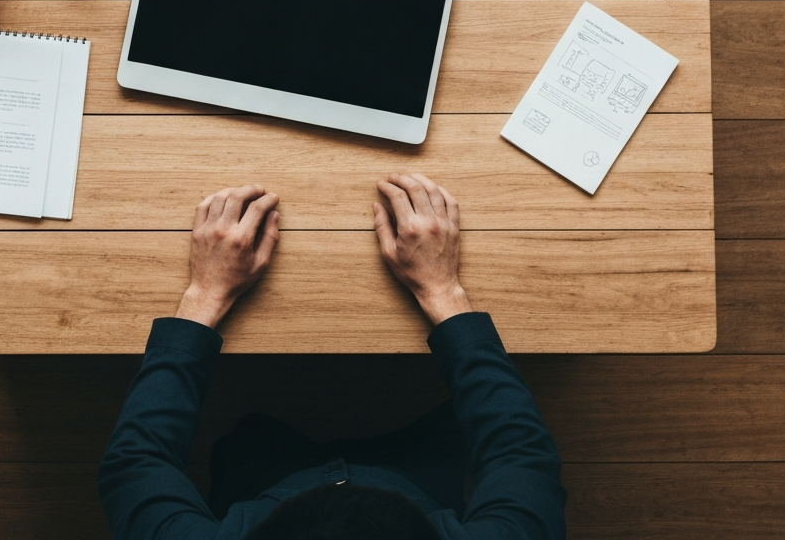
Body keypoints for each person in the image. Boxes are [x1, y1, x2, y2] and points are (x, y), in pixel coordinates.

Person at [98, 173, 566, 539]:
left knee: (247, 441)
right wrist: (443, 289)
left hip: (259, 470)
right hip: (424, 475)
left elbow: (137, 461)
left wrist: (204, 293)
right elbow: (521, 456)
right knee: (450, 435)